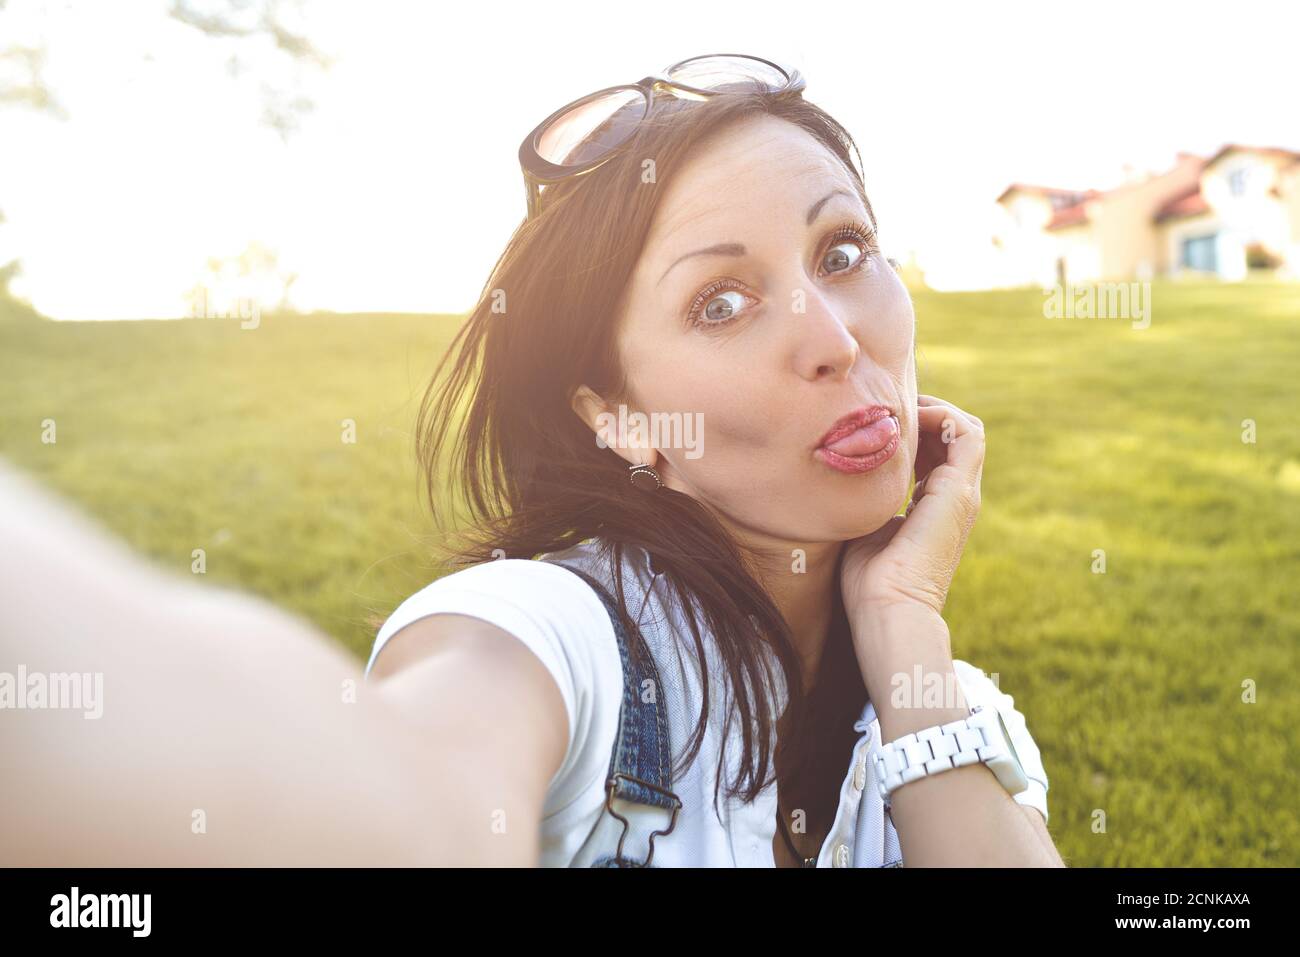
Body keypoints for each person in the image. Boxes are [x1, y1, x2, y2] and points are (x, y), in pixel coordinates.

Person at [0, 54, 1063, 867]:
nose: (835, 336)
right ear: (618, 416)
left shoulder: (950, 704)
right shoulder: (554, 640)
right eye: (721, 304)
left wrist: (904, 625)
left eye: (842, 252)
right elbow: (402, 795)